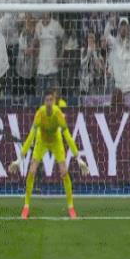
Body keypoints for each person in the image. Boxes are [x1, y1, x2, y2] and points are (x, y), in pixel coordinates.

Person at [8, 91, 89, 219]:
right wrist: (20, 158)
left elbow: (68, 136)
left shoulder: (58, 114)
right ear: (44, 102)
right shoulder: (40, 114)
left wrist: (78, 158)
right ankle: (26, 207)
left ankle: (71, 207)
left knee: (64, 172)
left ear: (54, 101)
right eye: (47, 100)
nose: (49, 103)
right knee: (32, 171)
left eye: (51, 100)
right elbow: (31, 136)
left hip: (56, 141)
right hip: (42, 141)